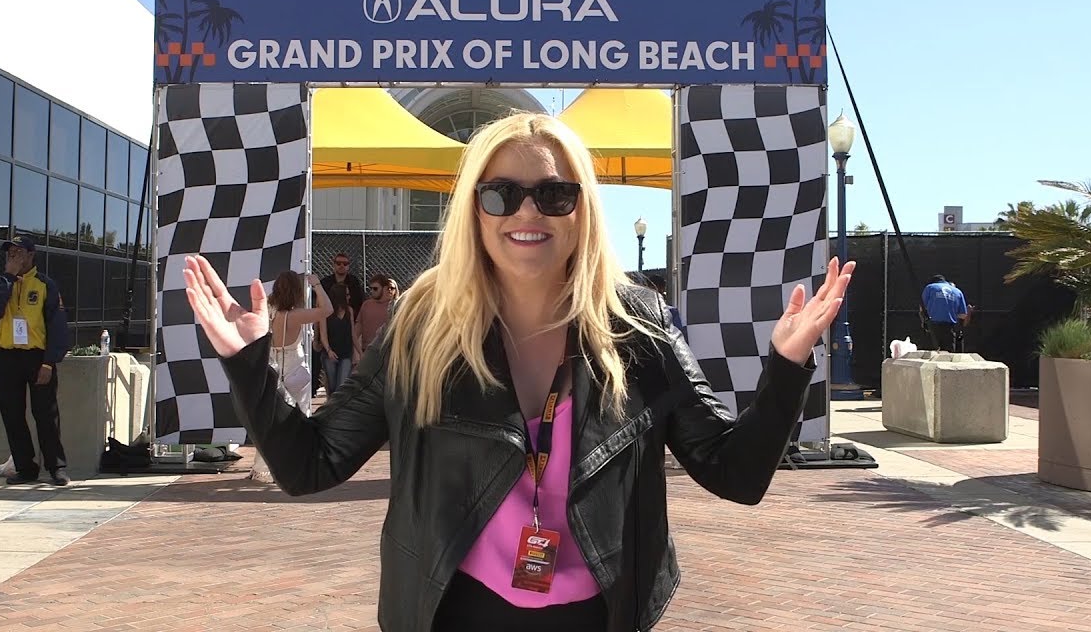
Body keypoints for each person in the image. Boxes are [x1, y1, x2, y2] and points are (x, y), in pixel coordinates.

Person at [182, 113, 853, 631]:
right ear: (473, 210)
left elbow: (735, 473)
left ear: (582, 209)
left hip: (598, 617)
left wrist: (788, 366)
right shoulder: (424, 327)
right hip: (452, 615)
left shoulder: (640, 328)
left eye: (554, 193)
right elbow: (311, 465)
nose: (527, 212)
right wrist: (247, 362)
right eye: (501, 194)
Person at [0, 235, 71, 486]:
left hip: (36, 356)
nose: (13, 258)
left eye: (18, 253)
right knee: (12, 415)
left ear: (31, 256)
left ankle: (57, 467)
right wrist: (8, 279)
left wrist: (49, 362)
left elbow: (58, 327)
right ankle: (25, 467)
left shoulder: (45, 284)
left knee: (46, 414)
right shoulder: (0, 283)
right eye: (9, 254)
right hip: (8, 356)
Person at [266, 270, 332, 416]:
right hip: (294, 366)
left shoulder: (269, 310)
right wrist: (317, 284)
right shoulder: (296, 315)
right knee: (300, 414)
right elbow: (328, 309)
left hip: (273, 366)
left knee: (276, 413)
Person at [319, 285, 359, 396]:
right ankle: (331, 408)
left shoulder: (349, 311)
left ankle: (337, 410)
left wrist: (360, 352)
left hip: (346, 353)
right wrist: (328, 350)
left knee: (340, 386)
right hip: (330, 354)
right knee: (332, 386)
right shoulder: (326, 312)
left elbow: (352, 333)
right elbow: (323, 335)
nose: (349, 297)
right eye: (346, 295)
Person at [920, 274, 968, 352]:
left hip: (932, 326)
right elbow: (963, 315)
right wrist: (958, 329)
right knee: (948, 355)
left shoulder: (930, 287)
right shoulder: (958, 291)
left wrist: (924, 322)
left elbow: (922, 307)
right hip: (950, 327)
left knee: (930, 355)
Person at [356, 274, 396, 353]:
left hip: (386, 349)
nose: (372, 291)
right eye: (371, 289)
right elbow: (357, 330)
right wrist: (356, 351)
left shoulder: (393, 306)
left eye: (375, 289)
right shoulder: (366, 305)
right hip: (367, 349)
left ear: (384, 288)